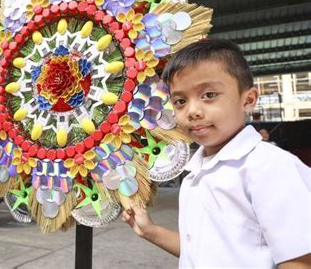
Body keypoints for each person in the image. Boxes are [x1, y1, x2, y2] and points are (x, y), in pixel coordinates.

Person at [122, 39, 311, 268]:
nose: (192, 111)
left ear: (248, 100)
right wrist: (150, 231)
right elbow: (201, 252)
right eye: (180, 101)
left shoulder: (271, 168)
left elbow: (299, 261)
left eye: (209, 95)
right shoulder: (194, 173)